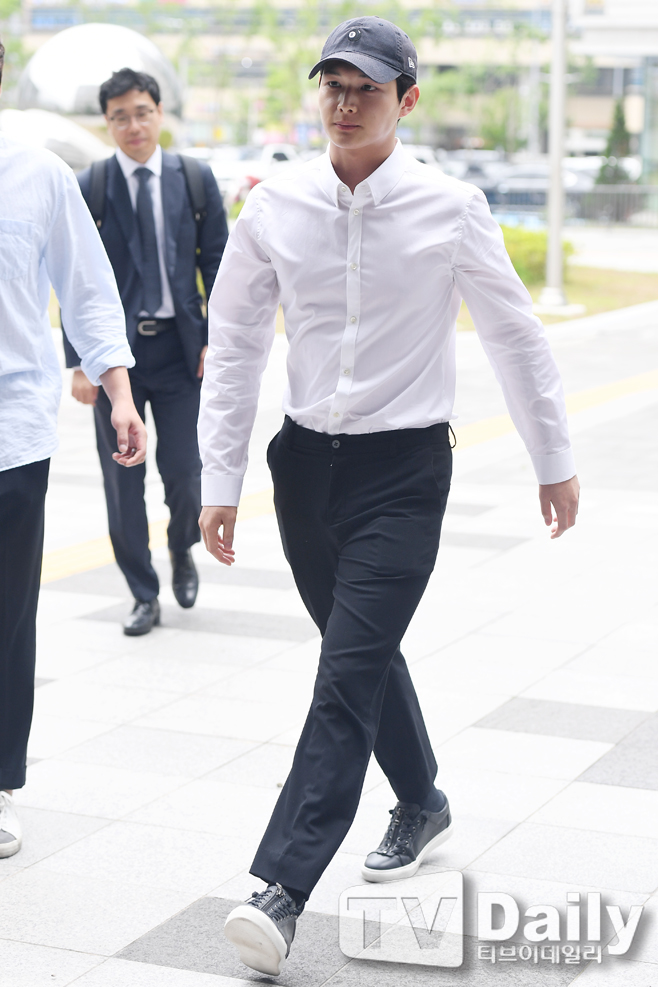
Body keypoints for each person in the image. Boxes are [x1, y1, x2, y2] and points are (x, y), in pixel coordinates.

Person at [198, 16, 580, 977]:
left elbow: (515, 332)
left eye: (366, 88)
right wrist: (220, 477)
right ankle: (423, 800)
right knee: (357, 652)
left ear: (406, 100)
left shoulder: (453, 208)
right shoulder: (275, 205)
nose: (344, 102)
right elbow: (235, 343)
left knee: (344, 673)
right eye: (332, 85)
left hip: (404, 475)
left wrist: (553, 456)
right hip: (303, 470)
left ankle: (281, 889)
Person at [0, 40, 147, 858]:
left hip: (12, 433)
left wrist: (119, 392)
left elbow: (88, 291)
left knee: (6, 615)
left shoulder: (39, 176)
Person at [63, 68, 228, 636]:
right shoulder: (92, 186)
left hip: (182, 354)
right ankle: (142, 592)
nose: (133, 126)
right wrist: (79, 362)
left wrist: (216, 339)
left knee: (185, 473)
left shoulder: (195, 179)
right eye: (120, 117)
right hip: (116, 362)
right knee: (122, 485)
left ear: (159, 113)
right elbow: (74, 278)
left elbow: (219, 266)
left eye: (142, 113)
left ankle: (182, 547)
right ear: (107, 123)